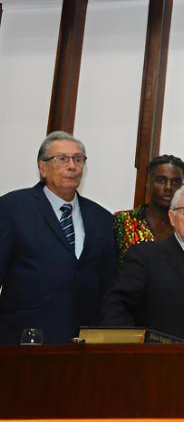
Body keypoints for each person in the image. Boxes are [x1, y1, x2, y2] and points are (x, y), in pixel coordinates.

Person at [0, 132, 117, 344]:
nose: (72, 166)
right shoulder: (12, 208)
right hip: (24, 339)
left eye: (78, 159)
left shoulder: (102, 218)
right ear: (42, 167)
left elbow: (108, 287)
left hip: (83, 343)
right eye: (62, 159)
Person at [99, 184, 184, 342]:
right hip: (158, 355)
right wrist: (134, 348)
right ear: (172, 217)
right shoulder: (146, 257)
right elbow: (117, 307)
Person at [113, 155, 184, 261]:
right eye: (161, 180)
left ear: (182, 187)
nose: (168, 187)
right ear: (148, 182)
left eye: (175, 182)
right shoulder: (123, 221)